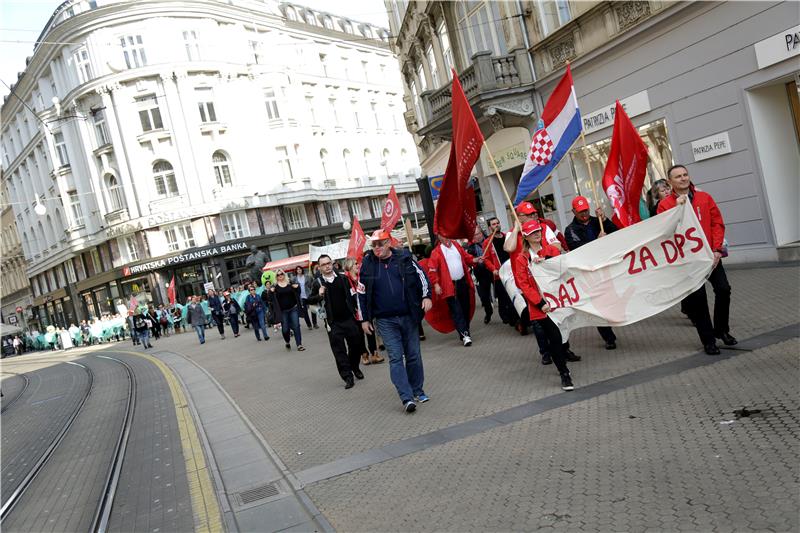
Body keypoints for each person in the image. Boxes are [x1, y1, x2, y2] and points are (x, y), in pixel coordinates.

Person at [658, 164, 737, 354]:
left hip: (711, 255)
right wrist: (676, 211)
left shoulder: (704, 197)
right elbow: (664, 232)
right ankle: (708, 340)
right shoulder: (665, 205)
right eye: (678, 176)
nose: (683, 178)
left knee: (723, 289)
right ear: (670, 182)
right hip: (688, 261)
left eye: (685, 174)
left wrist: (718, 249)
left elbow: (717, 223)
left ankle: (721, 330)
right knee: (699, 299)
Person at [358, 229, 433, 413]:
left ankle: (417, 390)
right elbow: (361, 293)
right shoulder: (367, 265)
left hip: (408, 315)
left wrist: (426, 296)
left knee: (414, 355)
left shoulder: (404, 257)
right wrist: (364, 319)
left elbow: (422, 276)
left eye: (380, 243)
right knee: (395, 358)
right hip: (385, 321)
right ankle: (406, 398)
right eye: (374, 244)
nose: (377, 247)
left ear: (388, 243)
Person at [513, 219, 575, 391]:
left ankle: (563, 362)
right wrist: (540, 303)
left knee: (562, 337)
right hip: (541, 307)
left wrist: (546, 261)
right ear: (526, 237)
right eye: (533, 232)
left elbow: (562, 270)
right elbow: (524, 285)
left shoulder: (551, 251)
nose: (537, 234)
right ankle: (564, 373)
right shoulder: (522, 259)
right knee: (554, 338)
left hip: (558, 302)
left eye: (538, 231)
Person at [564, 195, 620, 350]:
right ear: (573, 211)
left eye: (586, 210)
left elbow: (618, 233)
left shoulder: (598, 221)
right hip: (589, 273)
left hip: (607, 267)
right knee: (598, 305)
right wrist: (597, 241)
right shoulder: (570, 230)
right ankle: (609, 337)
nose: (584, 214)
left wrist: (606, 220)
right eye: (580, 212)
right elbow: (577, 250)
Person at [308, 254, 364, 389]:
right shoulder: (318, 283)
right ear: (319, 267)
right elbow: (310, 301)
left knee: (356, 345)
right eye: (323, 264)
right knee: (339, 351)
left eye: (329, 263)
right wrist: (319, 294)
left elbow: (352, 294)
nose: (327, 266)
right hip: (333, 323)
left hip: (349, 318)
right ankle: (347, 377)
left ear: (332, 263)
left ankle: (354, 366)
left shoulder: (343, 278)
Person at [428, 234, 475, 346]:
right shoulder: (436, 252)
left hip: (462, 282)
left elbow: (466, 257)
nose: (447, 238)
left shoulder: (456, 245)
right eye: (443, 236)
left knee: (465, 308)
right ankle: (465, 335)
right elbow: (432, 270)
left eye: (447, 235)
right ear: (439, 238)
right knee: (456, 311)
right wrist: (436, 284)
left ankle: (465, 331)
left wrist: (475, 259)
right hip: (449, 285)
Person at [343, 258, 385, 366]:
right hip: (355, 312)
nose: (358, 265)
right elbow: (346, 297)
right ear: (350, 266)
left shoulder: (362, 277)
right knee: (359, 334)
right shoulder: (345, 280)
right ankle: (364, 354)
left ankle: (374, 354)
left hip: (365, 309)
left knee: (370, 330)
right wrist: (353, 309)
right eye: (355, 264)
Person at [483, 217, 515, 325]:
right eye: (493, 224)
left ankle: (514, 316)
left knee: (512, 294)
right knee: (503, 297)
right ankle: (505, 316)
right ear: (489, 227)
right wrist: (493, 269)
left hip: (511, 270)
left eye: (497, 223)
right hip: (499, 273)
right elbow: (486, 259)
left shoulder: (506, 237)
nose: (496, 225)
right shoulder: (488, 242)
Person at [466, 225, 495, 325]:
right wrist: (476, 261)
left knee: (501, 292)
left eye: (477, 234)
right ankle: (488, 312)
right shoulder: (471, 247)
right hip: (481, 273)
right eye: (474, 236)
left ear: (482, 233)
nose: (476, 237)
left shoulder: (490, 241)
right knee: (484, 297)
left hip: (492, 270)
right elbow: (470, 260)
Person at [269, 270, 305, 351]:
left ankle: (299, 344)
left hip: (293, 308)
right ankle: (287, 341)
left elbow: (298, 292)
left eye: (281, 274)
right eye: (278, 275)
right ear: (276, 277)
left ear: (284, 274)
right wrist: (270, 291)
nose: (280, 276)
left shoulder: (290, 283)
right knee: (285, 329)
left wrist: (297, 287)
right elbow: (270, 298)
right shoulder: (275, 286)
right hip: (282, 311)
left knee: (296, 326)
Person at [293, 265, 318, 330]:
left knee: (313, 309)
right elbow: (292, 287)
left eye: (300, 269)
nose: (299, 270)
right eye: (297, 269)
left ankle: (315, 323)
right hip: (301, 297)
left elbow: (312, 284)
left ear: (302, 270)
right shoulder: (294, 279)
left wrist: (312, 291)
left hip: (309, 295)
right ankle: (309, 325)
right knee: (305, 312)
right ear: (296, 271)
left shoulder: (307, 277)